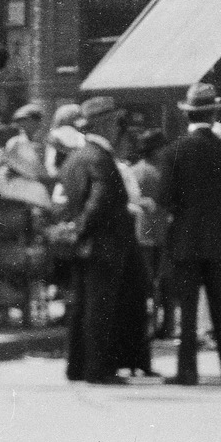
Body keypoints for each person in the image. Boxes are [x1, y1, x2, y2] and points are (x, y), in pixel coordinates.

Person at [156, 82, 221, 386]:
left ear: (188, 115)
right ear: (213, 115)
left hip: (184, 236)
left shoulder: (174, 152)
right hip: (218, 237)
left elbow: (163, 198)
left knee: (189, 306)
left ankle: (188, 370)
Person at [58, 96, 152, 383]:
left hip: (86, 246)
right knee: (100, 308)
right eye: (115, 122)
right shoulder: (100, 158)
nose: (118, 128)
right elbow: (98, 202)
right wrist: (82, 228)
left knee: (81, 307)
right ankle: (98, 369)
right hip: (104, 244)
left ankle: (77, 366)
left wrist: (75, 231)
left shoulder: (75, 157)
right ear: (104, 123)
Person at [130, 128, 170, 336]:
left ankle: (145, 326)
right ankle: (165, 325)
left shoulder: (134, 171)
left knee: (145, 282)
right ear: (156, 150)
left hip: (141, 233)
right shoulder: (165, 172)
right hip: (162, 233)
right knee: (164, 282)